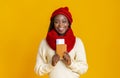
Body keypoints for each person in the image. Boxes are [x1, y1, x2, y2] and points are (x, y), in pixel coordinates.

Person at [34, 7, 88, 78]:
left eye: (64, 21)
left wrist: (70, 63)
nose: (60, 25)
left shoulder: (77, 42)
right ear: (53, 24)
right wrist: (51, 64)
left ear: (68, 23)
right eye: (56, 22)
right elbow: (38, 70)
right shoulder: (44, 43)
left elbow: (84, 68)